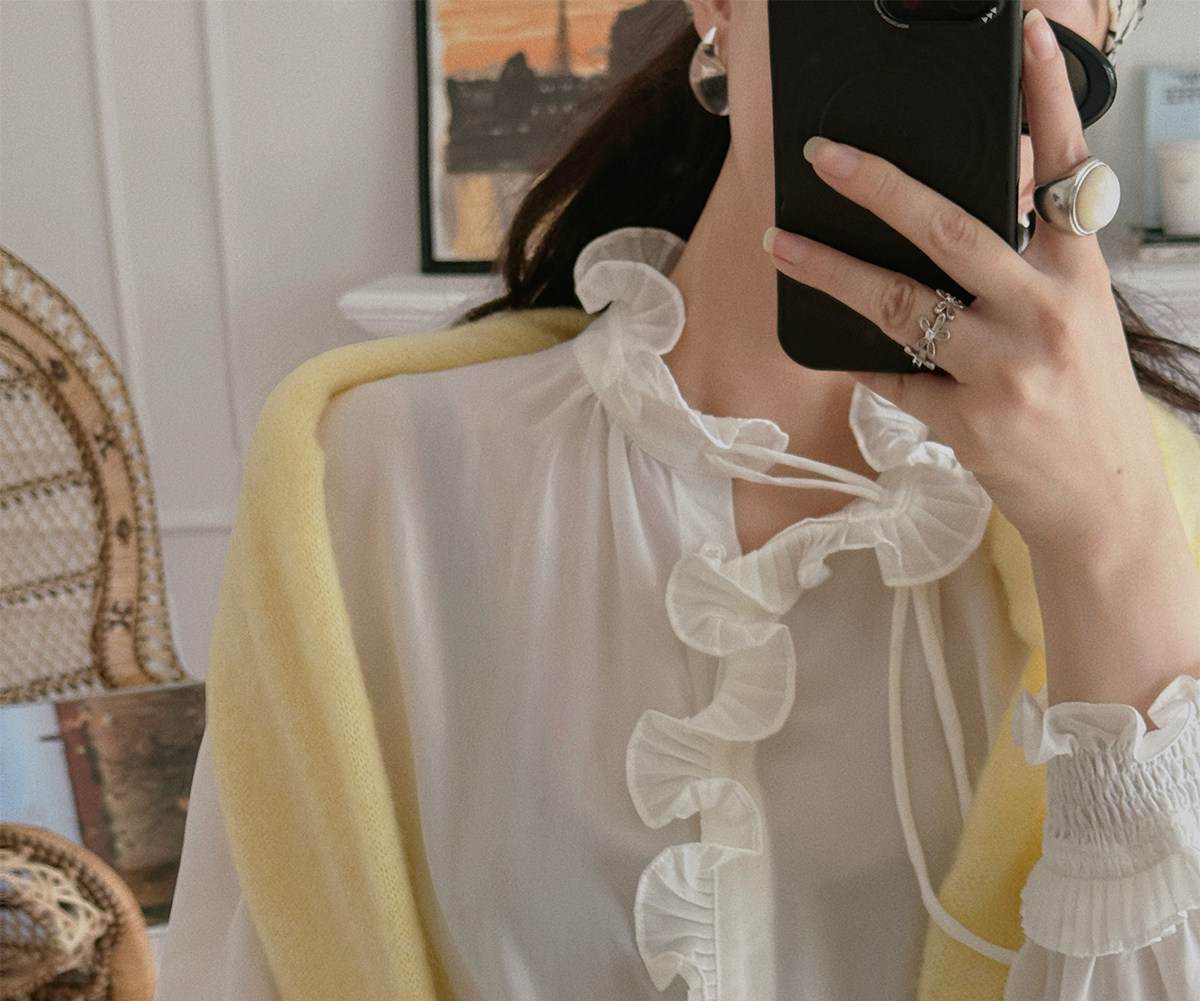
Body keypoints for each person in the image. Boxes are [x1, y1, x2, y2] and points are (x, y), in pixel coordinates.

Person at [155, 2, 1200, 1000]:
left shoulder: (1163, 526)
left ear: (1101, 36)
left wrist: (1112, 547)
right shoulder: (371, 483)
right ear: (722, 6)